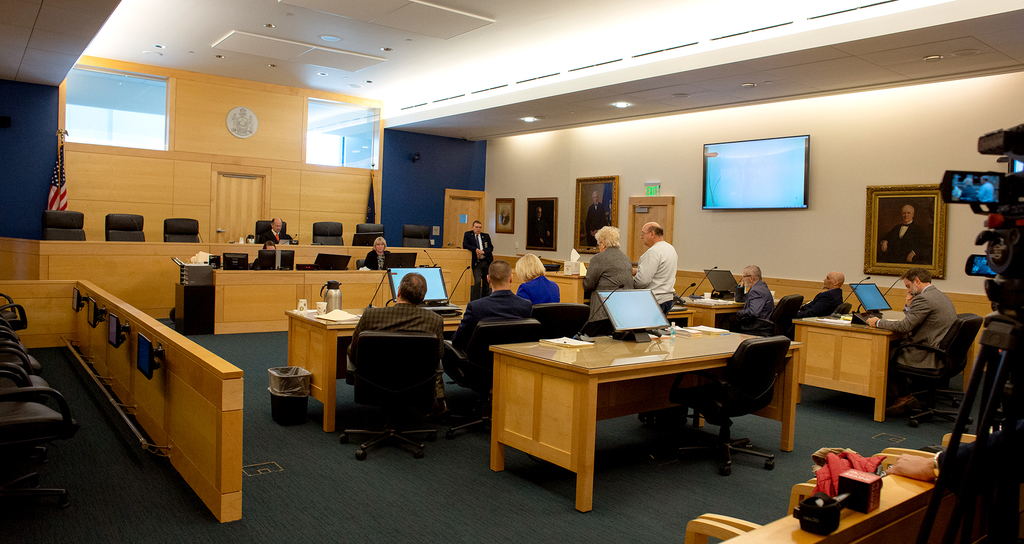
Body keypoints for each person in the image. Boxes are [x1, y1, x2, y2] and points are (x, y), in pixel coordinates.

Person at [346, 272, 447, 416]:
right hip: (416, 383)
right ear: (423, 297)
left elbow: (353, 352)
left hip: (374, 382)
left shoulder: (370, 316)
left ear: (398, 291)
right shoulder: (435, 320)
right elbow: (438, 356)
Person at [866, 267, 956, 416]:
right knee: (895, 347)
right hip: (941, 350)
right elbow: (915, 320)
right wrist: (909, 306)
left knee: (886, 354)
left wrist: (877, 322)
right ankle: (899, 393)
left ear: (917, 281)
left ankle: (903, 397)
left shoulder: (924, 298)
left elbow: (904, 327)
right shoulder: (939, 295)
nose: (908, 291)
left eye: (908, 286)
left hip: (927, 353)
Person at [450, 260, 533, 350]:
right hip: (513, 357)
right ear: (511, 278)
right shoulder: (526, 305)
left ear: (488, 279)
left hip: (481, 358)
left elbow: (457, 341)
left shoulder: (475, 307)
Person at [581, 226, 633, 336]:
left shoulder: (598, 258)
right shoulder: (626, 258)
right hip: (622, 312)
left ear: (603, 244)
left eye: (598, 244)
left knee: (595, 343)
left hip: (602, 313)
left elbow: (588, 285)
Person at [633, 222, 678, 316]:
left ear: (652, 234)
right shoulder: (670, 248)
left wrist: (628, 285)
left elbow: (642, 281)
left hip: (653, 300)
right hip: (667, 299)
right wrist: (637, 271)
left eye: (643, 233)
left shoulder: (653, 252)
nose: (641, 237)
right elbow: (660, 271)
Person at [727, 265, 775, 332]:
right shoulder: (760, 287)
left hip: (758, 325)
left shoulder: (756, 291)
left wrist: (739, 313)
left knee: (728, 319)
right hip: (762, 323)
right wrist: (742, 284)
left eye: (744, 277)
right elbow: (740, 299)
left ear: (751, 278)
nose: (742, 279)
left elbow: (754, 312)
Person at [461, 220, 493, 300]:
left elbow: (491, 248)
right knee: (477, 281)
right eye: (476, 227)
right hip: (476, 262)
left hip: (486, 261)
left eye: (480, 227)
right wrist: (475, 250)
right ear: (472, 227)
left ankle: (485, 299)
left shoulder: (486, 236)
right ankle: (475, 300)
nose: (478, 229)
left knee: (486, 282)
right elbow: (465, 245)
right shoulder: (468, 235)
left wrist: (483, 251)